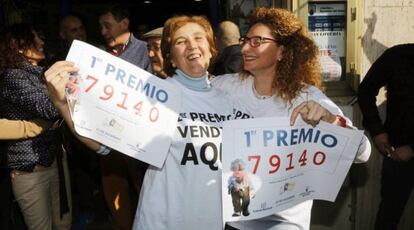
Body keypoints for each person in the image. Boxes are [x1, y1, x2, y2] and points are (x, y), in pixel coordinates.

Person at [45, 13, 369, 230]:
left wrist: (329, 120)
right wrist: (64, 105)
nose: (191, 46)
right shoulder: (158, 94)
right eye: (180, 42)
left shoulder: (228, 90)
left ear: (211, 49)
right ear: (169, 57)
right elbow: (103, 144)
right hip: (164, 221)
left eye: (198, 38)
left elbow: (360, 150)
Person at [211, 7, 371, 230]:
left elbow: (362, 152)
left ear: (282, 52)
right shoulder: (226, 86)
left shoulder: (306, 96)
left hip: (283, 221)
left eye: (258, 41)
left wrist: (331, 121)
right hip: (234, 218)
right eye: (245, 39)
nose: (245, 47)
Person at [0, 23, 71, 230]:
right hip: (30, 169)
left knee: (63, 224)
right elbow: (49, 109)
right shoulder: (13, 76)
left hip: (55, 159)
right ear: (19, 47)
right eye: (35, 38)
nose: (42, 42)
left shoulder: (40, 73)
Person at [97, 4, 151, 229]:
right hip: (107, 141)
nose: (103, 32)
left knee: (145, 192)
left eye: (107, 26)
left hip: (140, 142)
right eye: (100, 27)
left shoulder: (147, 50)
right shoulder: (97, 55)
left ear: (125, 24)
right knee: (115, 195)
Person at [357, 44, 414, 230]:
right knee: (388, 217)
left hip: (406, 150)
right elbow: (365, 90)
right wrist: (377, 131)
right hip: (396, 155)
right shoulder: (397, 55)